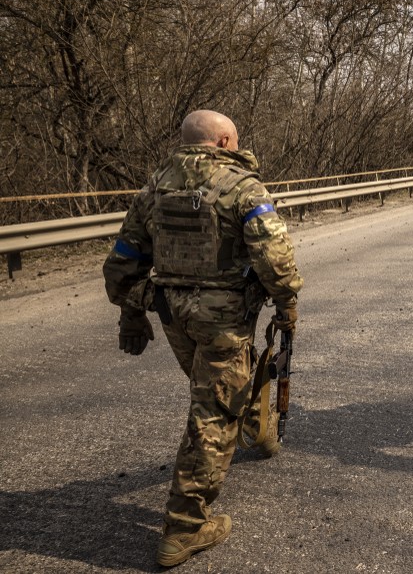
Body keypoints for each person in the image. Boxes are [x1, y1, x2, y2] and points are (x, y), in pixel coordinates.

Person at [102, 110, 303, 567]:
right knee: (212, 414)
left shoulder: (155, 187)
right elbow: (274, 256)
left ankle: (256, 429)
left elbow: (123, 259)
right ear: (226, 139)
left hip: (174, 314)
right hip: (224, 315)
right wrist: (287, 304)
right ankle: (185, 527)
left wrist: (131, 314)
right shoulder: (243, 186)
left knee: (219, 388)